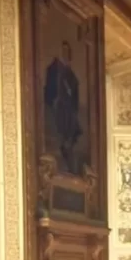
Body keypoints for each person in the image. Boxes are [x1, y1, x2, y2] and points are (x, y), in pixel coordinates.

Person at [44, 40, 82, 174]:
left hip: (68, 110)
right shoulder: (54, 69)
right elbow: (50, 90)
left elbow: (74, 86)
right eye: (64, 51)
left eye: (68, 51)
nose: (66, 54)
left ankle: (69, 165)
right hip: (58, 109)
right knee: (59, 136)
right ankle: (62, 166)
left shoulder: (68, 70)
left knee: (70, 136)